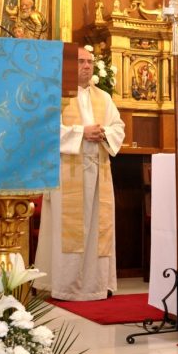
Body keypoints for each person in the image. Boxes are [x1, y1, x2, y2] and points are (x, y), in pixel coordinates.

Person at [33, 46, 125, 300]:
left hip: (98, 172)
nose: (87, 66)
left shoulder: (104, 97)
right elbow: (46, 129)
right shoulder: (57, 96)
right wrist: (82, 132)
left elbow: (118, 126)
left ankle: (96, 285)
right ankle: (66, 285)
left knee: (99, 227)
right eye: (81, 61)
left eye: (90, 62)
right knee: (69, 230)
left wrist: (104, 132)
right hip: (67, 172)